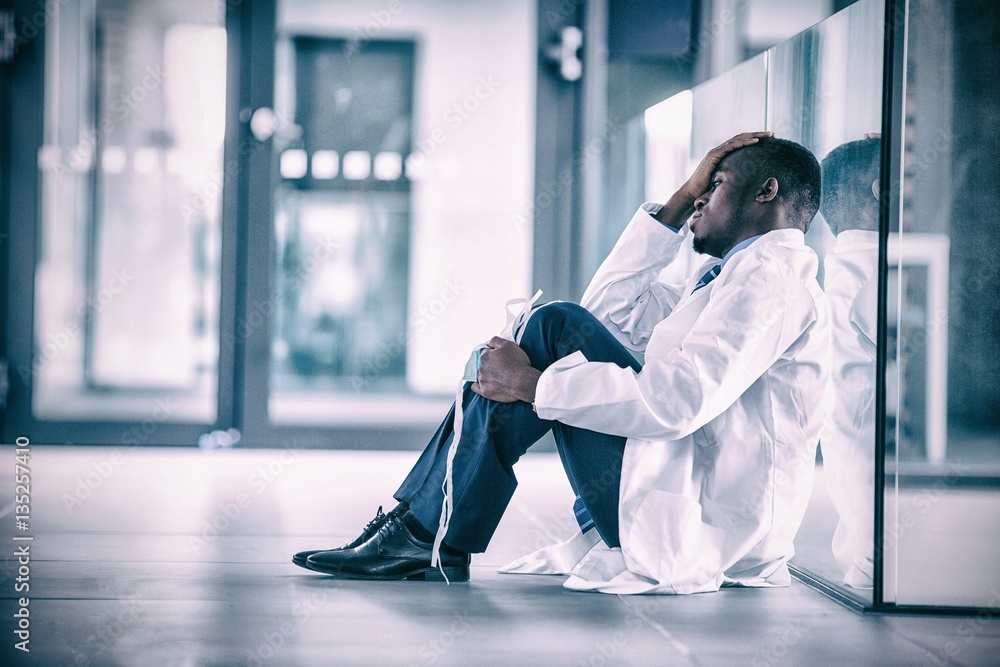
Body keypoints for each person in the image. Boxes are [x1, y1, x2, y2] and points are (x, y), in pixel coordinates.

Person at [293, 132, 830, 595]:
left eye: (713, 185)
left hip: (704, 522)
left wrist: (532, 384)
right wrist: (675, 202)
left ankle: (424, 531)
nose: (699, 200)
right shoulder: (730, 278)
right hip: (679, 484)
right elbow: (606, 316)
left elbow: (676, 402)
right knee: (551, 324)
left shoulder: (772, 279)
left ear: (766, 191)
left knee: (548, 330)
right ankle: (425, 532)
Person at [817, 136, 881, 588]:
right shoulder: (876, 272)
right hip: (871, 463)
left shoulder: (846, 265)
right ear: (882, 191)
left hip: (849, 442)